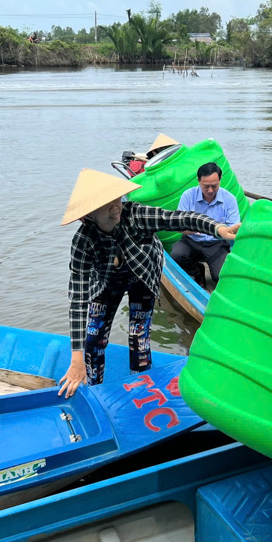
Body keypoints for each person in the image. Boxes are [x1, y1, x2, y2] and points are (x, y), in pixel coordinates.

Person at [59, 169, 239, 398]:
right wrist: (76, 357)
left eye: (116, 199)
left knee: (139, 336)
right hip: (106, 280)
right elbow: (78, 299)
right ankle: (95, 390)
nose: (115, 206)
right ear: (88, 216)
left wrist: (217, 228)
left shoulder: (136, 215)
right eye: (105, 205)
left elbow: (180, 218)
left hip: (143, 272)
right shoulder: (83, 242)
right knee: (93, 340)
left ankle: (141, 386)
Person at [170, 162, 241, 287]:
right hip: (192, 240)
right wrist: (189, 230)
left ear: (220, 180)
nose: (210, 190)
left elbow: (232, 229)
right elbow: (178, 224)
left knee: (220, 276)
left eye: (214, 186)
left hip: (217, 242)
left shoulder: (229, 199)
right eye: (206, 186)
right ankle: (197, 271)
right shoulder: (188, 196)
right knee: (177, 254)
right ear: (198, 181)